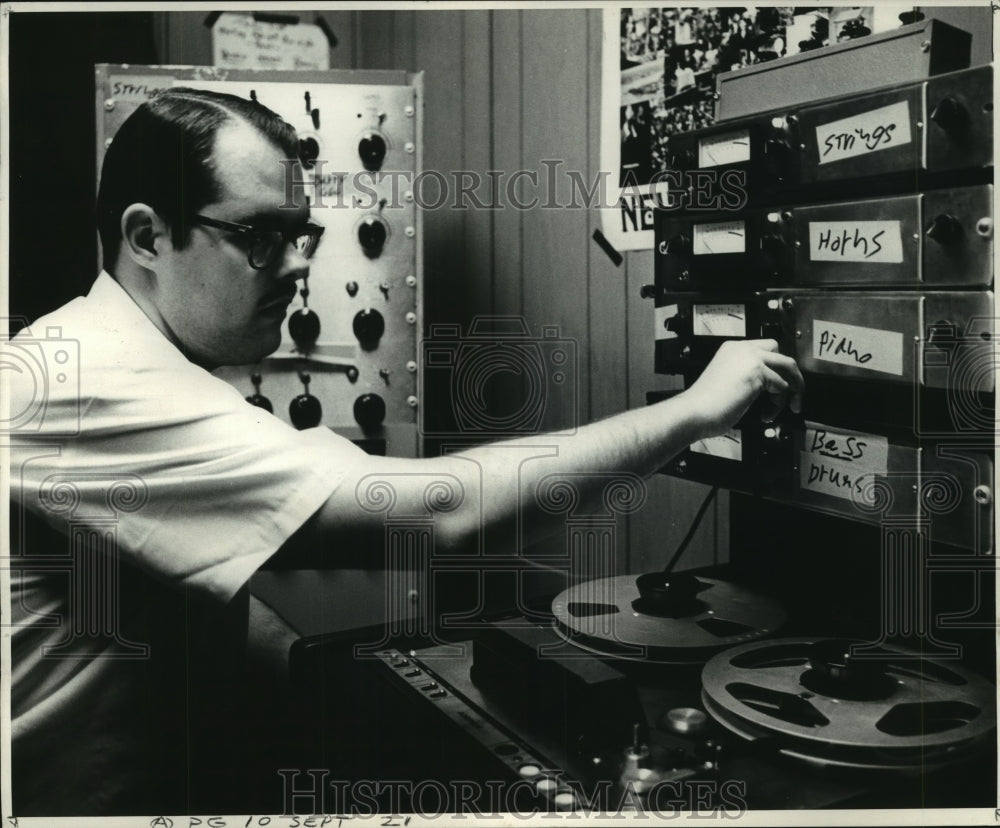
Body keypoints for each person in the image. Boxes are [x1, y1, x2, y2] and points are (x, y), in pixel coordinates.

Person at [6, 88, 803, 816]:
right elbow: (441, 511)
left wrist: (326, 678)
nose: (299, 266)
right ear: (147, 236)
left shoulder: (123, 358)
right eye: (258, 236)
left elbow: (171, 576)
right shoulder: (92, 376)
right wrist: (695, 411)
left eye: (301, 234)